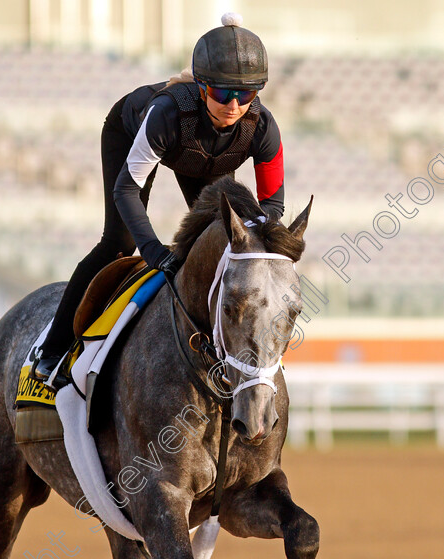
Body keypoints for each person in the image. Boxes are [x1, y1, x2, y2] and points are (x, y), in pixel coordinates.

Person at [33, 14, 285, 379]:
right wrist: (153, 251)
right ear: (201, 87)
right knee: (119, 244)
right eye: (222, 92)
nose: (233, 105)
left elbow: (273, 207)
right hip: (132, 130)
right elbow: (126, 189)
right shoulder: (166, 115)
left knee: (222, 243)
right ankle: (53, 348)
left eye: (245, 94)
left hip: (201, 156)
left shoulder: (262, 127)